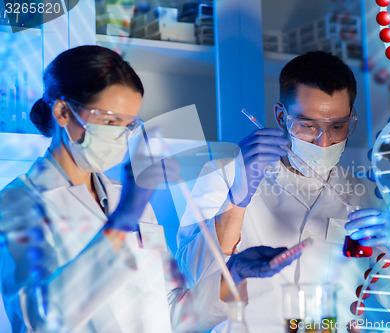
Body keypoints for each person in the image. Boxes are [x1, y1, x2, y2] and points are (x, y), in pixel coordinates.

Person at [0, 45, 297, 333]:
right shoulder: (17, 203)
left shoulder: (125, 196)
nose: (119, 134)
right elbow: (40, 321)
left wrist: (234, 274)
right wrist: (122, 220)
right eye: (110, 120)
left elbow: (172, 313)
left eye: (128, 124)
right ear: (63, 112)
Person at [176, 51, 390, 332]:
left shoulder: (365, 195)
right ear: (281, 116)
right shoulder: (224, 175)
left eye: (338, 126)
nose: (323, 141)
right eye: (307, 125)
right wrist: (237, 200)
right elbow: (193, 281)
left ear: (351, 119)